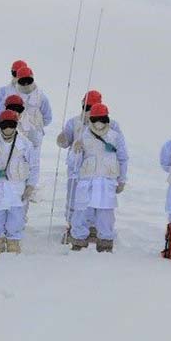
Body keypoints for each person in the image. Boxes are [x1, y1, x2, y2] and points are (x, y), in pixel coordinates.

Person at [56, 90, 121, 241]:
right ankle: (73, 226)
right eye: (87, 107)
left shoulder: (112, 126)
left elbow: (119, 150)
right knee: (74, 200)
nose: (89, 110)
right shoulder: (74, 122)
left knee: (97, 200)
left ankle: (93, 227)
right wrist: (63, 140)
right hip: (76, 170)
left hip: (99, 171)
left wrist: (121, 177)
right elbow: (66, 142)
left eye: (92, 107)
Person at [69, 103, 128, 252]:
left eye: (102, 119)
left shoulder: (115, 137)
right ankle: (78, 242)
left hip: (106, 182)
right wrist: (75, 151)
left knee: (106, 215)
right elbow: (74, 162)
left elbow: (123, 158)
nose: (99, 123)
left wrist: (121, 180)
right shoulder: (83, 135)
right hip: (87, 181)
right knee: (81, 212)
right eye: (95, 119)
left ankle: (105, 243)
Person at [0, 110, 39, 254]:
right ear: (0, 125)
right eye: (4, 125)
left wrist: (30, 185)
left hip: (17, 186)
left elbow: (34, 166)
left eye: (11, 124)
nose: (8, 128)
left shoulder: (25, 144)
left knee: (16, 215)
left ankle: (14, 241)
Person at [0, 62, 53, 148]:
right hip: (13, 135)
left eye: (28, 80)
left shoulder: (41, 97)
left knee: (32, 159)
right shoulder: (11, 95)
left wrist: (36, 126)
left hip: (34, 137)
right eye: (22, 81)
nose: (26, 84)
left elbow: (47, 118)